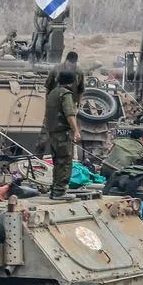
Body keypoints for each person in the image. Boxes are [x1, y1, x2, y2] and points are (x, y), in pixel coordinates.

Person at [40, 69, 81, 198]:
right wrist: (76, 131)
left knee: (57, 161)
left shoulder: (53, 93)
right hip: (63, 134)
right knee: (64, 161)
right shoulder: (65, 94)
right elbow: (69, 114)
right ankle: (60, 191)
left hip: (52, 133)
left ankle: (56, 189)